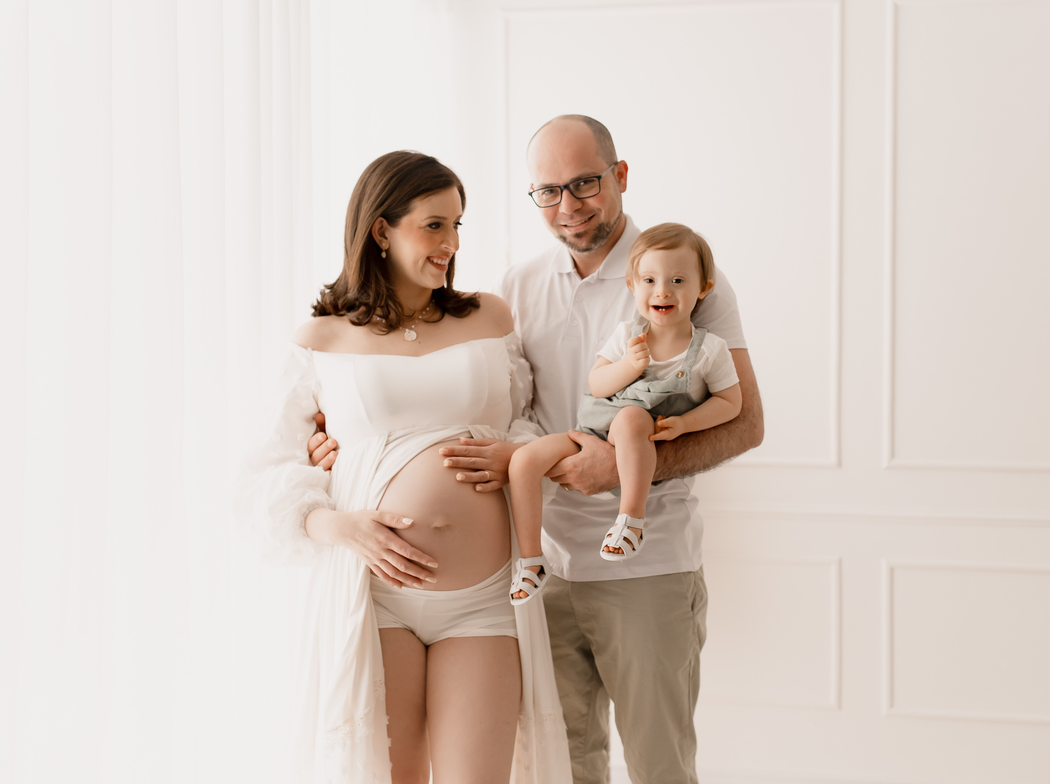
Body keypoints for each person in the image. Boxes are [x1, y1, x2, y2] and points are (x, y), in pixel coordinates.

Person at [311, 116, 764, 784]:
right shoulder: (518, 287)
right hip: (537, 571)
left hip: (644, 569)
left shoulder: (678, 273)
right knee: (561, 768)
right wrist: (337, 438)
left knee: (660, 767)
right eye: (548, 191)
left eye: (585, 183)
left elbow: (745, 423)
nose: (568, 205)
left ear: (620, 176)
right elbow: (495, 405)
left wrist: (623, 467)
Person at [241, 151, 569, 783]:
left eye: (457, 225)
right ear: (381, 230)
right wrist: (340, 525)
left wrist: (516, 455)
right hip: (374, 596)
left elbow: (529, 426)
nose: (452, 243)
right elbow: (265, 474)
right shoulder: (322, 339)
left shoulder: (490, 317)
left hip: (486, 598)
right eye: (434, 225)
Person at [507, 223, 743, 604]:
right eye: (649, 280)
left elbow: (731, 403)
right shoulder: (627, 335)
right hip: (591, 432)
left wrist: (685, 423)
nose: (662, 291)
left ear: (704, 288)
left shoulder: (709, 351)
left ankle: (631, 520)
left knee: (632, 417)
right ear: (633, 286)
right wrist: (630, 366)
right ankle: (531, 559)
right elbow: (598, 384)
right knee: (523, 461)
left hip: (634, 441)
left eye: (677, 280)